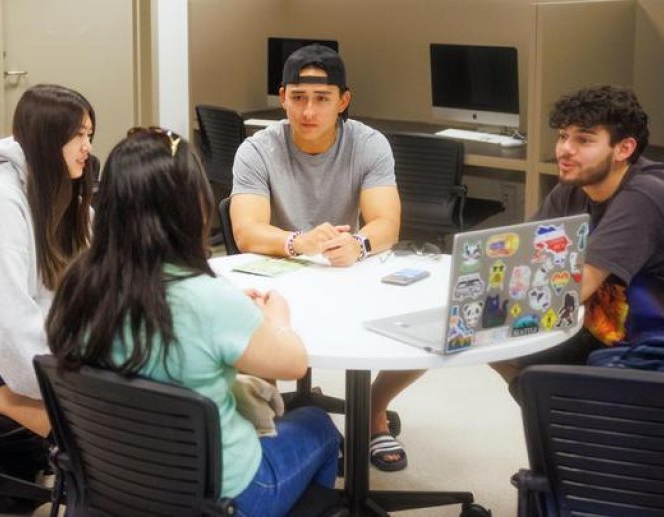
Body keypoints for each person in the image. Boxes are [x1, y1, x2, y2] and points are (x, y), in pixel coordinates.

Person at [46, 127, 340, 516]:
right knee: (318, 425)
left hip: (119, 483)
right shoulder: (207, 299)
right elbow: (293, 363)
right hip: (222, 495)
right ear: (192, 205)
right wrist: (277, 319)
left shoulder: (77, 286)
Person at [230, 44, 420, 471]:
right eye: (297, 98)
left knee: (426, 322)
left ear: (344, 100)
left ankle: (373, 410)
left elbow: (386, 223)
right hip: (279, 272)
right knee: (249, 324)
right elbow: (246, 231)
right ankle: (280, 433)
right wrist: (298, 242)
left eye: (321, 99)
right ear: (282, 98)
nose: (308, 111)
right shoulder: (258, 149)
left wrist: (360, 244)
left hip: (346, 270)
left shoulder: (369, 144)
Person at [491, 85, 664, 394]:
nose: (565, 150)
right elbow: (525, 258)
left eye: (583, 140)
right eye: (562, 136)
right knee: (496, 350)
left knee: (508, 349)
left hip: (661, 348)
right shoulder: (575, 186)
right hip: (600, 329)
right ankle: (561, 425)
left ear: (624, 149)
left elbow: (574, 288)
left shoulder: (647, 195)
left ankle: (567, 423)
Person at [0, 84, 96, 437]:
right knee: (95, 430)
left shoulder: (61, 190)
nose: (88, 148)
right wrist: (82, 377)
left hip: (43, 349)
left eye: (89, 134)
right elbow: (9, 330)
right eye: (78, 136)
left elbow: (104, 270)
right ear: (46, 139)